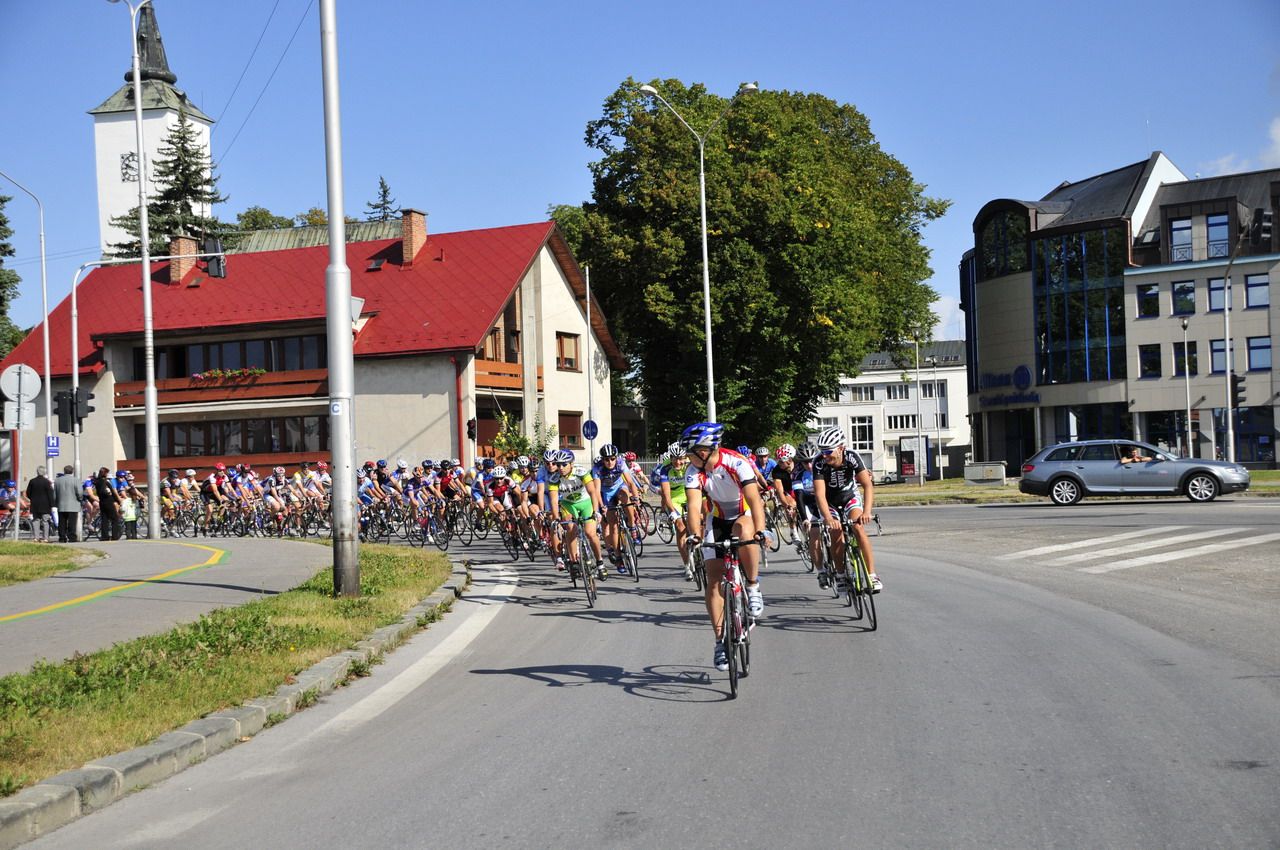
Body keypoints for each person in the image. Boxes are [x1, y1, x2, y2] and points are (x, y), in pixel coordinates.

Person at [682, 423, 768, 673]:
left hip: (743, 513)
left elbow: (754, 498)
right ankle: (720, 641)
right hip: (717, 519)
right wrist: (694, 535)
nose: (688, 457)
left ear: (706, 450)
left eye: (691, 451)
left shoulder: (736, 462)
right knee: (714, 580)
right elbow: (694, 505)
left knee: (745, 532)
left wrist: (762, 530)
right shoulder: (693, 471)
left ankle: (752, 586)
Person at [812, 426, 881, 592]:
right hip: (830, 501)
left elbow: (867, 485)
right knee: (835, 533)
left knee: (858, 527)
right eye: (822, 451)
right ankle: (841, 575)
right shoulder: (819, 462)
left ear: (841, 448)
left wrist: (866, 512)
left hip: (849, 496)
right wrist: (828, 518)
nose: (824, 455)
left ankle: (872, 575)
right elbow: (820, 495)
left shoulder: (852, 457)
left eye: (828, 451)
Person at [26, 466, 56, 543]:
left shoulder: (32, 481)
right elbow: (50, 494)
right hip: (45, 505)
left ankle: (36, 537)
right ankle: (45, 538)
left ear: (37, 472)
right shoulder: (47, 482)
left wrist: (32, 498)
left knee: (36, 520)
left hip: (35, 504)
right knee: (45, 521)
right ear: (44, 472)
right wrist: (52, 504)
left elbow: (28, 493)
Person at [94, 467, 123, 541]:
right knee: (115, 518)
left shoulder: (97, 481)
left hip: (102, 501)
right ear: (105, 474)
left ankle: (105, 536)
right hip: (108, 501)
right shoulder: (105, 482)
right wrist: (116, 499)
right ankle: (115, 536)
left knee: (104, 519)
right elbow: (107, 491)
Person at [55, 465, 83, 543]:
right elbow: (80, 493)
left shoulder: (57, 481)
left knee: (62, 522)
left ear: (64, 471)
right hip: (73, 505)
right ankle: (72, 537)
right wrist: (80, 499)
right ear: (72, 471)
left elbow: (55, 493)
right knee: (72, 522)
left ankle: (62, 537)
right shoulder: (76, 480)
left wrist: (56, 502)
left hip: (61, 505)